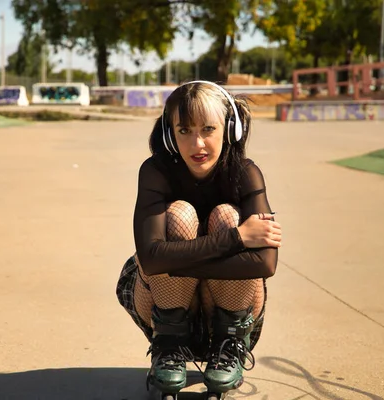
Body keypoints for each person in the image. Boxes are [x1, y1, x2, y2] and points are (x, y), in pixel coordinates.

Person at [116, 80, 282, 396]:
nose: (197, 144)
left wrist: (177, 261)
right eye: (184, 131)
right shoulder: (155, 172)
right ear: (169, 134)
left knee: (225, 215)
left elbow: (265, 264)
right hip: (164, 303)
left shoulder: (246, 173)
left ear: (229, 129)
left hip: (231, 309)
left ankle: (228, 344)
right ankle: (170, 344)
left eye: (208, 129)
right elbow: (150, 260)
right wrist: (238, 239)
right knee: (180, 214)